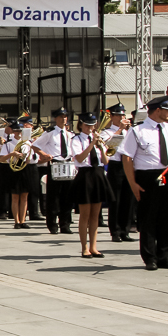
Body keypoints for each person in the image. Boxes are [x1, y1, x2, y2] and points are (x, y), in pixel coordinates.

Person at [118, 95, 168, 270]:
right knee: (149, 217)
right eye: (167, 110)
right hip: (148, 177)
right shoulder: (138, 131)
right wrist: (133, 183)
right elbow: (127, 158)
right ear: (158, 110)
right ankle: (150, 257)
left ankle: (165, 256)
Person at [71, 113, 112, 258]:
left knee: (96, 214)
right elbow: (80, 158)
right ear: (81, 125)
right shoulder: (76, 139)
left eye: (92, 125)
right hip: (85, 176)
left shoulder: (97, 140)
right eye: (87, 125)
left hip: (98, 175)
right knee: (85, 215)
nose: (90, 128)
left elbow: (106, 161)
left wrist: (101, 147)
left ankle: (94, 247)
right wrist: (92, 144)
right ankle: (84, 247)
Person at [33, 107, 75, 235]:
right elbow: (35, 145)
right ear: (55, 118)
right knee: (53, 197)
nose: (64, 119)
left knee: (67, 197)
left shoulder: (70, 134)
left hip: (67, 165)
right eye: (61, 117)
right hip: (55, 165)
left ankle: (65, 224)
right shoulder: (50, 133)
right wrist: (44, 155)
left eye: (65, 116)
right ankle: (52, 224)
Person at [100, 104, 134, 242]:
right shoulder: (106, 132)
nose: (122, 118)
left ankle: (125, 230)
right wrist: (120, 130)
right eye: (118, 115)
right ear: (112, 117)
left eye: (123, 115)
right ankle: (115, 231)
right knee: (116, 200)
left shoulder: (130, 131)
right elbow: (109, 146)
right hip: (115, 166)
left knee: (128, 200)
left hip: (129, 165)